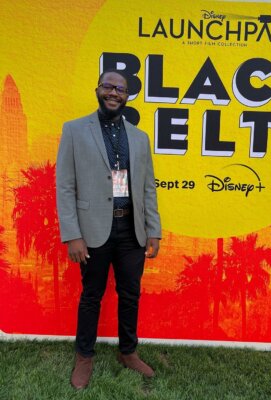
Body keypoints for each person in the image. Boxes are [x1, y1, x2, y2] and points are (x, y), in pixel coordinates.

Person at [56, 69, 161, 389]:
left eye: (121, 89)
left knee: (130, 294)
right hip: (92, 229)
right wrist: (73, 234)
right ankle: (84, 357)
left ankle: (128, 352)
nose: (114, 92)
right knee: (91, 296)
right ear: (98, 89)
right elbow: (65, 186)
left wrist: (153, 228)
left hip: (131, 229)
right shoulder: (74, 130)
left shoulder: (139, 138)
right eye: (109, 86)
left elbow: (147, 188)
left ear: (127, 96)